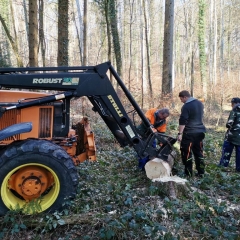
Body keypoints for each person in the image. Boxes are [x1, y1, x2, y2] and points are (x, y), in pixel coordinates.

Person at [177, 90, 206, 177]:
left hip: (189, 133)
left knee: (186, 152)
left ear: (185, 97)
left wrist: (180, 133)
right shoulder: (200, 103)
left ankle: (188, 174)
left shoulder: (186, 106)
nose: (181, 101)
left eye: (181, 99)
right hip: (200, 132)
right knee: (199, 152)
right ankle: (201, 172)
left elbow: (183, 120)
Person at [218, 97, 240, 172]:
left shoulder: (234, 110)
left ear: (234, 103)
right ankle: (238, 169)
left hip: (231, 136)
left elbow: (229, 124)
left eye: (232, 104)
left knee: (226, 152)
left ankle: (223, 167)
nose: (231, 105)